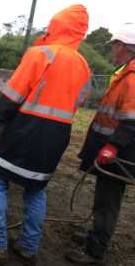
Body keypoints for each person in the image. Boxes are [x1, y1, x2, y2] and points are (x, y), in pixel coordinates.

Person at [0, 5, 91, 266]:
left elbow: (13, 95)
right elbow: (74, 104)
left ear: (56, 25)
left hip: (24, 131)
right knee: (36, 189)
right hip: (56, 137)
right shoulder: (85, 68)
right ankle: (28, 248)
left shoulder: (40, 53)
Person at [65, 23, 135, 265]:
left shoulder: (133, 78)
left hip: (120, 154)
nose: (111, 50)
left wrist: (112, 146)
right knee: (104, 197)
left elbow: (131, 121)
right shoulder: (126, 73)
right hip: (117, 151)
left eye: (114, 45)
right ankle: (95, 236)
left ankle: (94, 252)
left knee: (108, 201)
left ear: (123, 47)